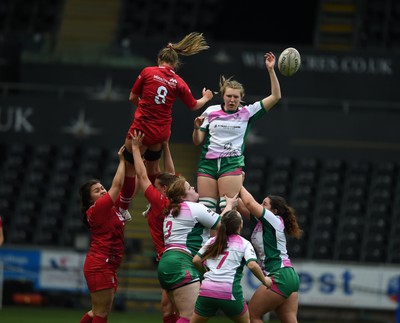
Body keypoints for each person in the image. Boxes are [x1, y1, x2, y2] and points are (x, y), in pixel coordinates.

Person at [192, 51, 281, 213]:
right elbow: (197, 141)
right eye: (229, 96)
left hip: (231, 164)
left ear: (241, 98)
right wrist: (197, 128)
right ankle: (210, 240)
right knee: (206, 212)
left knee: (228, 210)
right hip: (207, 164)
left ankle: (229, 240)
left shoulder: (247, 112)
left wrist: (271, 70)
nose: (232, 100)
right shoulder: (211, 111)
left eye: (235, 97)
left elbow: (275, 96)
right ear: (223, 96)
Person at [124, 32, 214, 185]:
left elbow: (132, 97)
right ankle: (156, 203)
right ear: (175, 64)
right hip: (160, 132)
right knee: (153, 171)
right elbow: (193, 105)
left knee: (130, 169)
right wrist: (206, 97)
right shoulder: (179, 82)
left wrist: (146, 107)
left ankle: (123, 207)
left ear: (159, 60)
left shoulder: (148, 72)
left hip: (142, 127)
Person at [158, 177, 237, 323]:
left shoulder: (172, 211)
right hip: (181, 262)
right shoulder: (195, 207)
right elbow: (222, 224)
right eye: (189, 187)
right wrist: (230, 205)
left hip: (169, 261)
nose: (193, 188)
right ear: (182, 196)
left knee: (182, 315)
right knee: (190, 318)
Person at [78, 146, 134, 323]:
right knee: (101, 313)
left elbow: (128, 189)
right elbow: (117, 186)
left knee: (97, 311)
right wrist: (122, 161)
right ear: (90, 200)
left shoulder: (111, 208)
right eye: (97, 190)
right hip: (100, 264)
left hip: (107, 264)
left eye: (102, 188)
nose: (102, 191)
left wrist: (138, 163)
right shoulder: (97, 209)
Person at [130, 129, 180, 323]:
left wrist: (135, 149)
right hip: (175, 256)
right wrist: (166, 146)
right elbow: (171, 175)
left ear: (164, 190)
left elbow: (142, 177)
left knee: (178, 308)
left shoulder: (160, 202)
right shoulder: (174, 199)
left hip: (171, 258)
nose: (154, 187)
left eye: (157, 186)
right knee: (168, 306)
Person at [191, 209, 272, 323]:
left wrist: (205, 273)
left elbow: (196, 260)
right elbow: (253, 265)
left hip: (207, 290)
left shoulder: (212, 241)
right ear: (240, 225)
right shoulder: (244, 243)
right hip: (229, 293)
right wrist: (264, 280)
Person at [239, 186, 303, 323]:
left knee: (251, 316)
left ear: (274, 211)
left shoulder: (273, 219)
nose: (260, 206)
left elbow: (249, 203)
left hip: (279, 275)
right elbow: (242, 205)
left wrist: (237, 181)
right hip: (288, 274)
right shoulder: (264, 223)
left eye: (264, 204)